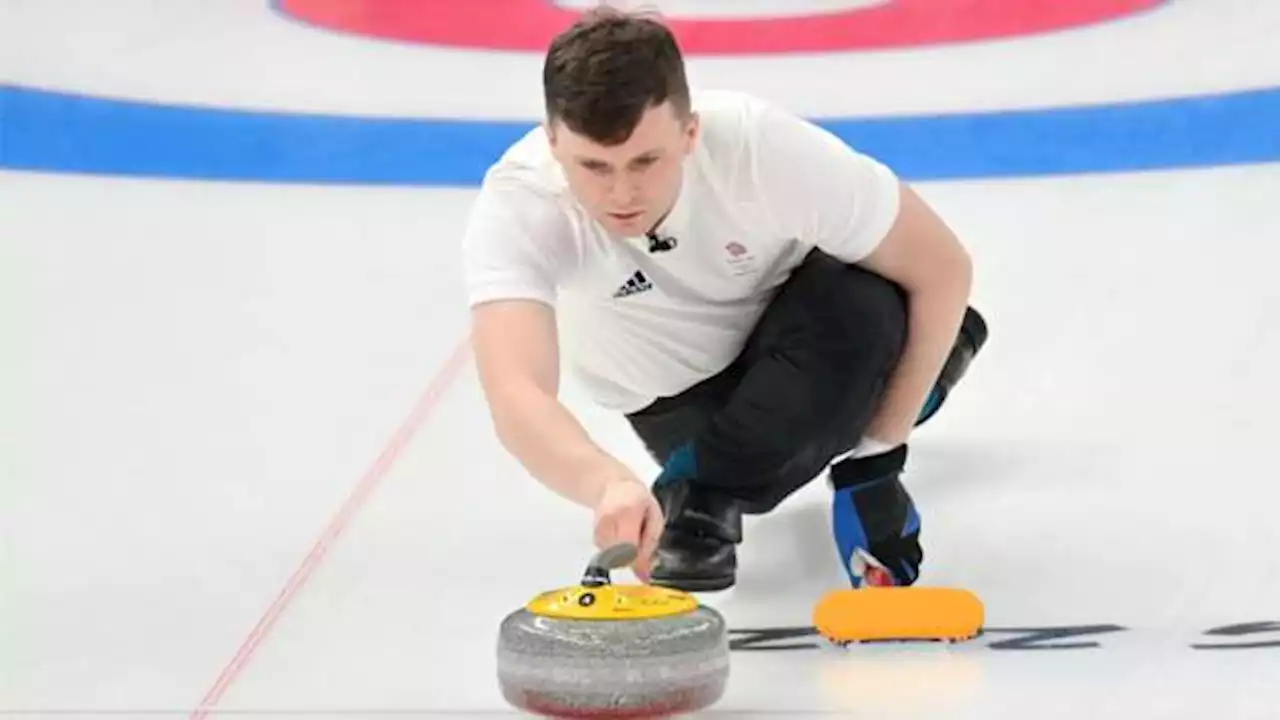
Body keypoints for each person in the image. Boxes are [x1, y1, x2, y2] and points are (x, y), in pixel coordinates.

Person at [462, 7, 988, 592]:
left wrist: (877, 459)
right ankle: (710, 480)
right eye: (593, 166)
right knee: (900, 351)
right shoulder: (523, 201)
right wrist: (606, 482)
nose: (622, 193)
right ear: (554, 141)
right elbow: (516, 391)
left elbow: (941, 270)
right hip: (684, 404)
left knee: (873, 304)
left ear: (691, 133)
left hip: (803, 327)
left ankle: (709, 492)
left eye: (645, 160)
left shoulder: (758, 147)